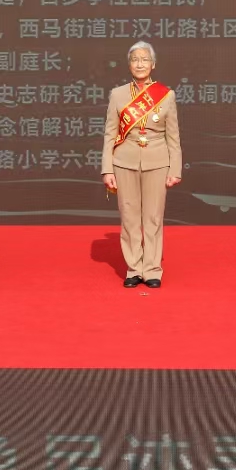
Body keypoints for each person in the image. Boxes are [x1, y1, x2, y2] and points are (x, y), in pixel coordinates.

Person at [100, 41, 182, 289]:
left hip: (157, 162)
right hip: (124, 161)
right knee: (129, 217)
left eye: (144, 59)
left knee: (153, 217)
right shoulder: (118, 94)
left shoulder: (166, 95)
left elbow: (173, 136)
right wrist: (107, 168)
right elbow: (110, 134)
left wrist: (175, 169)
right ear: (129, 64)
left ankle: (153, 269)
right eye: (135, 59)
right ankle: (134, 269)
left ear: (153, 64)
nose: (139, 64)